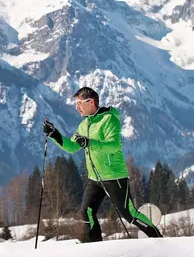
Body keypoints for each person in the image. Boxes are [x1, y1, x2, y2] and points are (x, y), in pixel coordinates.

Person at [42, 87, 163, 242]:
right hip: (95, 179)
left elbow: (113, 146)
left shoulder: (109, 119)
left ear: (91, 101)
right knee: (87, 211)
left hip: (115, 176)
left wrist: (89, 142)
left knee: (129, 214)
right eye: (76, 104)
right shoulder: (84, 125)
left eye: (79, 103)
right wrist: (54, 134)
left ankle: (159, 239)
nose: (76, 107)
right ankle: (96, 248)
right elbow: (72, 147)